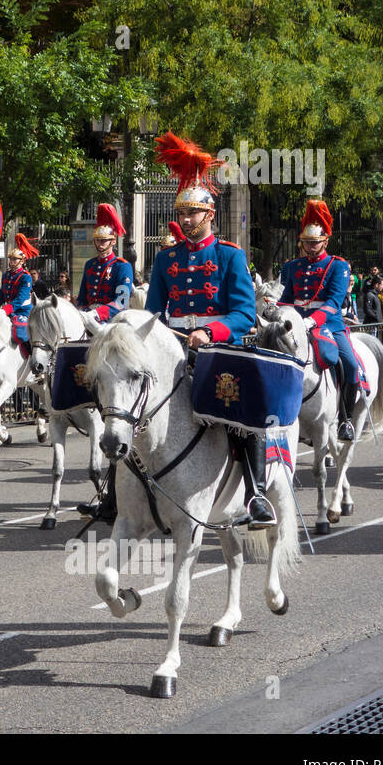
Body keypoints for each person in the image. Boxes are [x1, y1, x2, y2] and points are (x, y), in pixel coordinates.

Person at [142, 131, 272, 528]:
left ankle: (256, 494)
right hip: (174, 347)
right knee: (133, 411)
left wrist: (211, 332)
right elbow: (153, 313)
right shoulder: (166, 260)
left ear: (209, 215)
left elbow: (244, 315)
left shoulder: (230, 256)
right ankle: (117, 496)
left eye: (192, 214)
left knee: (241, 408)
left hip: (216, 350)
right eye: (181, 214)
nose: (185, 220)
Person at [276, 199, 360, 441]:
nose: (310, 247)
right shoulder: (292, 266)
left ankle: (346, 419)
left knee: (349, 364)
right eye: (307, 243)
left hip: (328, 325)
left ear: (325, 241)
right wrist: (273, 310)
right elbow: (287, 298)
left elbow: (334, 302)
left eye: (315, 243)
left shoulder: (338, 266)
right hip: (295, 324)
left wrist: (311, 322)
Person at [76, 203, 134, 324]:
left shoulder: (122, 266)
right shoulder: (90, 264)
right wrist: (80, 312)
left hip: (112, 319)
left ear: (113, 241)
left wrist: (97, 314)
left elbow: (121, 301)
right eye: (97, 240)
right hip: (88, 317)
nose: (100, 244)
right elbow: (82, 297)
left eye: (103, 241)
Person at [0, 235, 39, 348]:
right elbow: (1, 294)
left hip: (22, 311)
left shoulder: (26, 277)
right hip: (9, 311)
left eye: (15, 259)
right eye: (11, 259)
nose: (12, 261)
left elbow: (21, 298)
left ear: (22, 260)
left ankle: (30, 355)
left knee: (20, 334)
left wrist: (7, 309)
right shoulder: (7, 275)